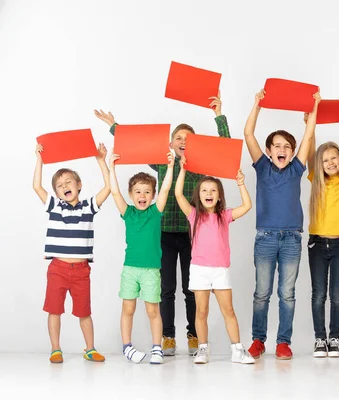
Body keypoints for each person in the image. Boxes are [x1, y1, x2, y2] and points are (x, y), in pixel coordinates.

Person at [95, 95, 230, 355]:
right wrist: (115, 127)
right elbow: (138, 144)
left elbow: (225, 148)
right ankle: (168, 337)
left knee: (192, 288)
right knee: (166, 289)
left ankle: (193, 335)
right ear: (170, 144)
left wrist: (219, 116)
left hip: (194, 237)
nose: (183, 142)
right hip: (164, 235)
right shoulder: (162, 162)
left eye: (188, 139)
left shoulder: (201, 165)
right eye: (178, 138)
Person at [244, 89, 320, 360]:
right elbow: (248, 134)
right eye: (277, 146)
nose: (282, 150)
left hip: (291, 238)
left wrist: (314, 111)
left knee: (287, 293)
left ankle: (283, 342)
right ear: (268, 151)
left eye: (287, 146)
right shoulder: (262, 166)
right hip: (265, 237)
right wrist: (257, 105)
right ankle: (258, 340)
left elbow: (309, 137)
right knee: (261, 292)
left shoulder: (297, 168)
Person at [33, 143, 110, 363]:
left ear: (79, 185)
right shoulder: (55, 207)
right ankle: (55, 348)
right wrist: (39, 159)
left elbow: (107, 188)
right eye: (59, 185)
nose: (64, 186)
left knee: (84, 312)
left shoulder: (88, 206)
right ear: (56, 192)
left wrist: (100, 160)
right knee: (54, 310)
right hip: (57, 268)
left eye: (68, 182)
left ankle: (90, 348)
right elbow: (37, 187)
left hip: (81, 270)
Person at [174, 158, 255, 364]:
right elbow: (177, 194)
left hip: (220, 270)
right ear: (198, 196)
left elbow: (247, 205)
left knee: (228, 310)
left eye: (213, 191)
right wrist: (182, 171)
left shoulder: (224, 216)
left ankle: (237, 349)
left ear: (219, 197)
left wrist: (240, 183)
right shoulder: (193, 214)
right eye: (204, 191)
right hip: (200, 269)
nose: (208, 194)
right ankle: (202, 348)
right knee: (201, 311)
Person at [108, 151, 174, 364]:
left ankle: (157, 348)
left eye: (147, 192)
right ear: (131, 194)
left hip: (151, 271)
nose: (142, 196)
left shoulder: (156, 212)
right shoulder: (128, 213)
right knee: (128, 309)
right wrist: (112, 167)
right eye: (137, 192)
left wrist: (171, 167)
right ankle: (127, 347)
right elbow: (115, 192)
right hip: (130, 270)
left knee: (152, 310)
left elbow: (165, 189)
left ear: (152, 195)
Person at [306, 108, 339, 358]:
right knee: (319, 294)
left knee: (337, 295)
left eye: (334, 158)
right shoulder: (315, 178)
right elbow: (309, 150)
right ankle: (320, 339)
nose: (330, 163)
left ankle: (334, 337)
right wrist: (311, 125)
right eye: (325, 159)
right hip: (317, 245)